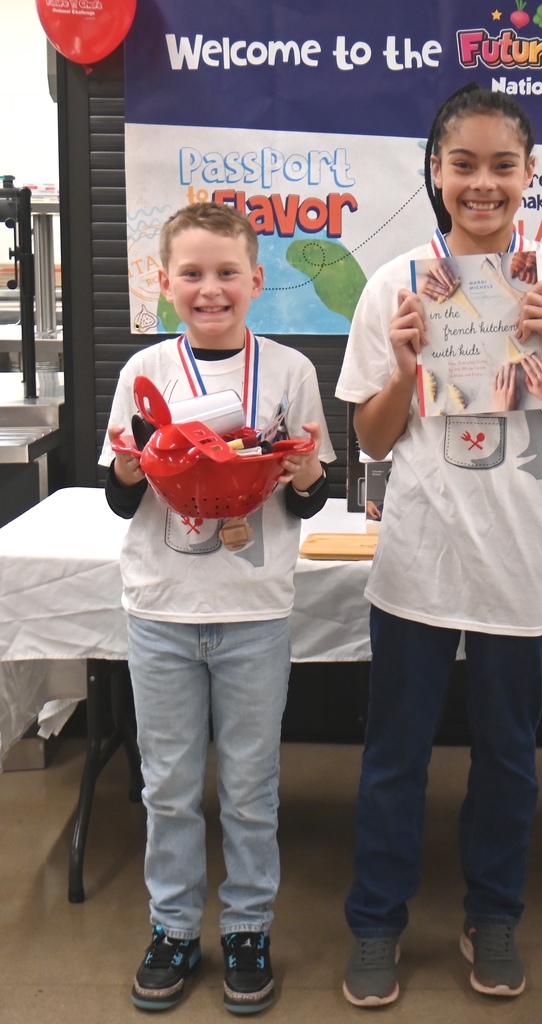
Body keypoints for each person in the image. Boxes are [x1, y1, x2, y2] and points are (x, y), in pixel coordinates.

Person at [334, 83, 542, 1006]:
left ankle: (492, 913)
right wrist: (410, 362)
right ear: (434, 171)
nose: (483, 184)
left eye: (503, 165)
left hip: (520, 564)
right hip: (419, 561)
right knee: (394, 757)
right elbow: (373, 439)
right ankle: (377, 923)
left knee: (509, 756)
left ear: (529, 174)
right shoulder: (395, 285)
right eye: (462, 164)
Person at [99, 201, 335, 1014]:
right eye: (192, 274)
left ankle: (246, 929)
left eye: (227, 273)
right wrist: (139, 465)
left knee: (249, 787)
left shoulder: (291, 373)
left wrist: (300, 467)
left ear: (257, 282)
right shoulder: (145, 374)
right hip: (160, 608)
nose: (210, 289)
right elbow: (119, 499)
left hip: (254, 612)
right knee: (166, 787)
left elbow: (310, 499)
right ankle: (171, 928)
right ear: (164, 284)